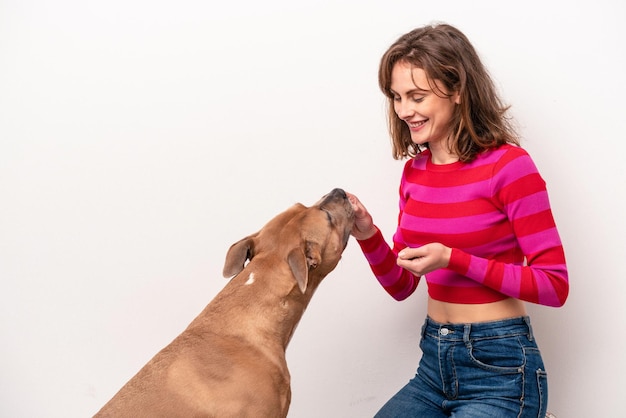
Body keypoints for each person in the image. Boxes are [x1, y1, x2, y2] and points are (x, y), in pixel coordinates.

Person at [347, 23, 568, 418]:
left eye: (417, 96)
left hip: (501, 370)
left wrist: (454, 259)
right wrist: (368, 235)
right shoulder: (415, 172)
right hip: (434, 366)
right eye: (397, 97)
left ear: (458, 90)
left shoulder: (510, 167)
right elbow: (402, 285)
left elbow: (555, 285)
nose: (404, 111)